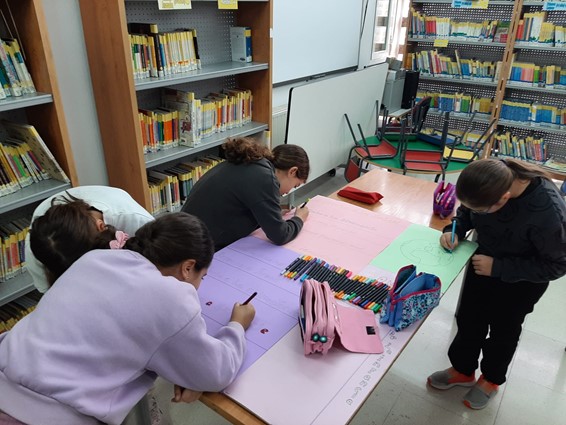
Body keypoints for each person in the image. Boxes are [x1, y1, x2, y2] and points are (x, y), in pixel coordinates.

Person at [0, 212, 256, 425]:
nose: (200, 285)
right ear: (188, 267)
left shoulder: (94, 258)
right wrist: (237, 325)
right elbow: (217, 372)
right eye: (203, 276)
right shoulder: (171, 297)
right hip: (44, 415)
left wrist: (187, 369)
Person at [427, 158, 566, 410]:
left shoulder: (548, 211)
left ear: (504, 199)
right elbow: (467, 211)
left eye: (482, 210)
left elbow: (557, 265)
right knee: (469, 317)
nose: (476, 212)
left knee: (504, 330)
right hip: (482, 264)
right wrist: (454, 230)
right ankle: (463, 369)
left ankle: (490, 379)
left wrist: (499, 267)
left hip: (521, 281)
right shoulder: (488, 179)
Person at [182, 137, 310, 251]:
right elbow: (280, 236)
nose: (288, 191)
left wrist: (271, 215)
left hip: (184, 236)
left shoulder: (253, 163)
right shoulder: (265, 178)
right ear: (292, 171)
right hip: (198, 249)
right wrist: (299, 219)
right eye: (295, 185)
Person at [25, 185, 154, 293]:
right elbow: (51, 294)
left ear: (101, 227)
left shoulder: (136, 220)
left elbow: (157, 274)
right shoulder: (39, 249)